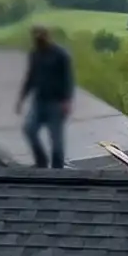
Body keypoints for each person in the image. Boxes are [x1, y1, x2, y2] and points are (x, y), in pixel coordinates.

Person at [19, 24, 74, 168]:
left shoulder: (60, 54)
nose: (38, 40)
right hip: (39, 101)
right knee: (29, 129)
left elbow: (68, 78)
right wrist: (21, 98)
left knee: (56, 140)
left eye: (41, 37)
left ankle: (57, 168)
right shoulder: (34, 54)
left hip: (56, 102)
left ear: (47, 37)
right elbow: (30, 77)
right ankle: (41, 160)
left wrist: (67, 100)